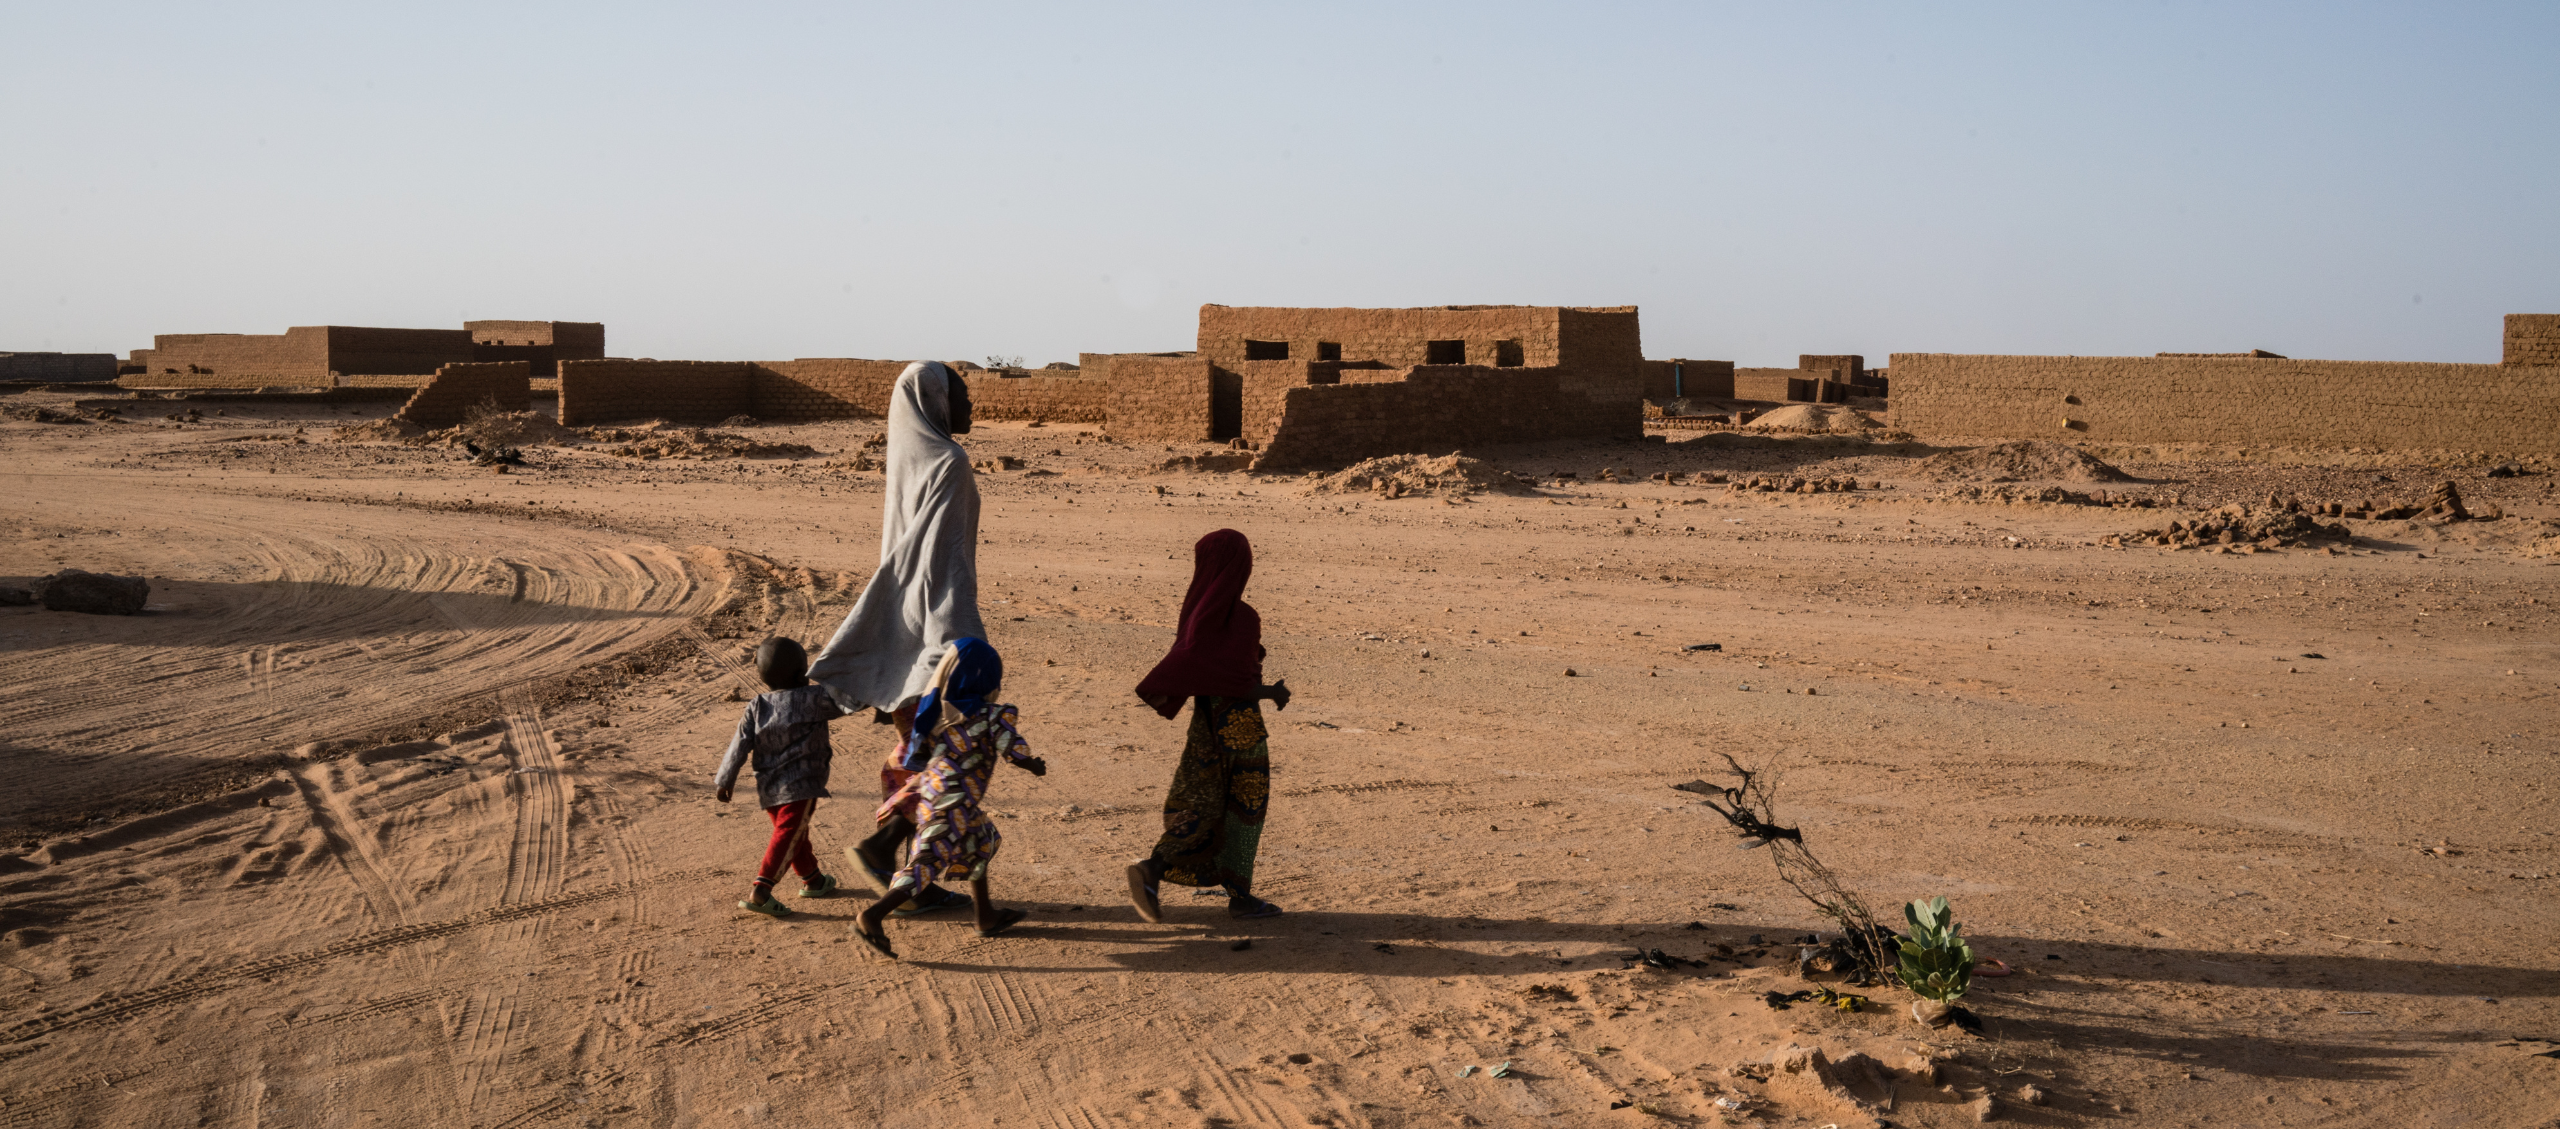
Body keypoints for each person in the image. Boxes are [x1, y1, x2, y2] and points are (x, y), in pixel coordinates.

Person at [808, 360, 981, 916]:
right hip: (937, 636)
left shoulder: (908, 463)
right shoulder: (950, 462)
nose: (970, 404)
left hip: (903, 633)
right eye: (960, 395)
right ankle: (887, 854)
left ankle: (910, 880)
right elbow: (943, 566)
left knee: (921, 758)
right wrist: (959, 645)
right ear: (935, 402)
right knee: (950, 763)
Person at [1124, 529, 1292, 923]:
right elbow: (1238, 685)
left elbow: (1204, 671)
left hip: (1204, 728)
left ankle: (1156, 867)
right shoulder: (1242, 617)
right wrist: (1272, 692)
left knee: (1202, 802)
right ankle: (1238, 895)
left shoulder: (1196, 615)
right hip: (1241, 731)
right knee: (1244, 812)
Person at [854, 637, 1046, 959]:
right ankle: (872, 915)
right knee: (926, 863)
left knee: (982, 840)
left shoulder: (941, 717)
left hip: (934, 798)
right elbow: (1013, 750)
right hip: (953, 805)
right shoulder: (993, 715)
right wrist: (1034, 765)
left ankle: (985, 915)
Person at [713, 637, 845, 918]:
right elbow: (849, 700)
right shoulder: (814, 698)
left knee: (795, 834)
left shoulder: (757, 705)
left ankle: (813, 880)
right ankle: (761, 890)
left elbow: (739, 743)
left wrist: (725, 779)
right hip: (801, 785)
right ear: (802, 674)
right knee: (789, 834)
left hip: (768, 786)